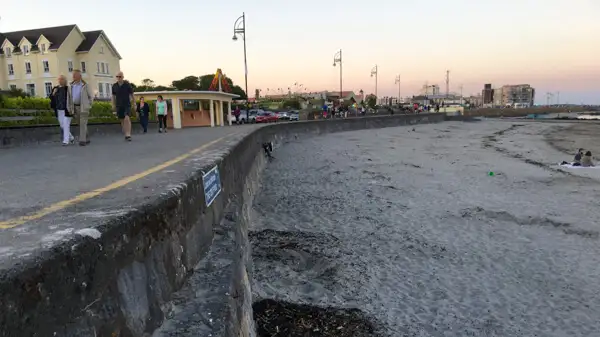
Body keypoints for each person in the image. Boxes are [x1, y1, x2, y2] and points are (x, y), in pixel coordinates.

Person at [67, 69, 93, 146]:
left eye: (75, 74)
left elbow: (90, 97)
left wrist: (88, 105)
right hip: (74, 107)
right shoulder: (71, 86)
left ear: (80, 76)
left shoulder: (85, 85)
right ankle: (87, 137)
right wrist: (69, 107)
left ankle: (82, 140)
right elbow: (69, 97)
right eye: (73, 75)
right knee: (81, 124)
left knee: (82, 123)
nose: (73, 76)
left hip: (83, 107)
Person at [50, 75, 74, 145]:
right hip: (58, 109)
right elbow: (51, 98)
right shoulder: (55, 88)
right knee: (62, 125)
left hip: (67, 109)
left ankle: (66, 141)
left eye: (62, 79)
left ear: (65, 80)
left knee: (66, 125)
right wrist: (53, 93)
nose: (60, 81)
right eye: (59, 79)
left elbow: (72, 98)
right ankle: (71, 137)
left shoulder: (68, 88)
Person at [112, 71, 135, 141]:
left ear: (123, 77)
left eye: (120, 77)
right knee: (122, 120)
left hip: (127, 104)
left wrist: (134, 103)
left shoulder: (127, 84)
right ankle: (126, 133)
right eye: (117, 77)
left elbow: (132, 94)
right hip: (119, 105)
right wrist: (113, 105)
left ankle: (128, 134)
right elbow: (113, 96)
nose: (118, 78)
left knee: (127, 118)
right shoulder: (114, 86)